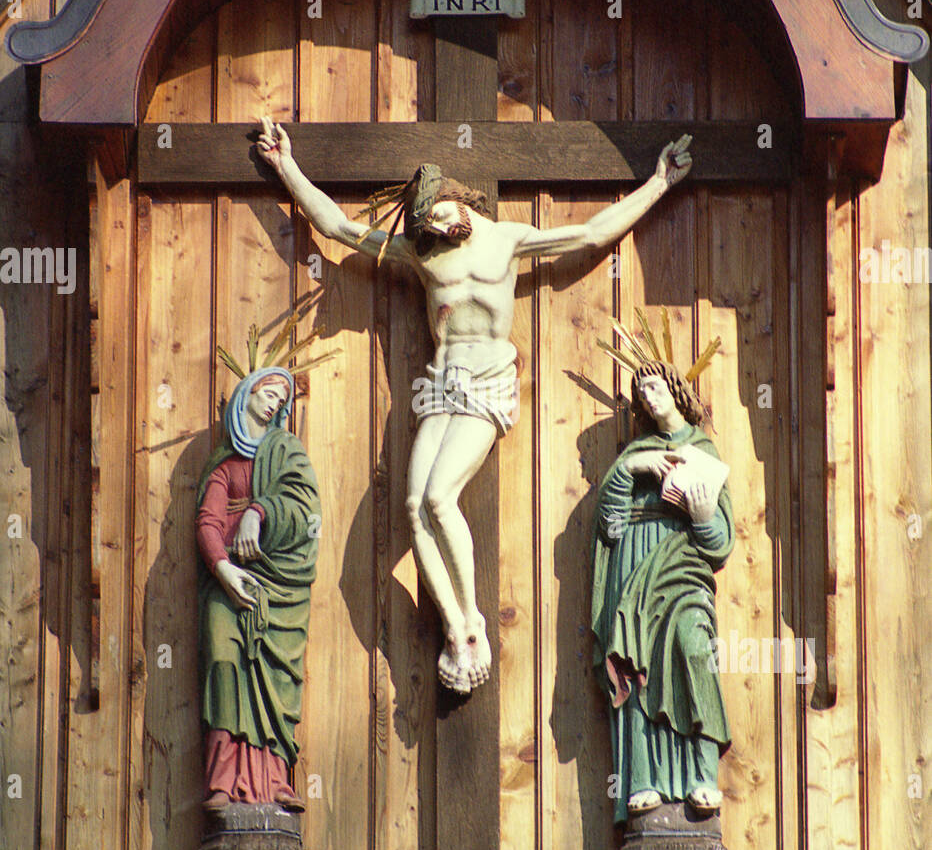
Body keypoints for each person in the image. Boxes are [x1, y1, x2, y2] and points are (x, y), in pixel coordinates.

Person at [255, 116, 692, 694]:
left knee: (440, 496)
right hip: (440, 384)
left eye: (439, 216)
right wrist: (286, 165)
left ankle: (475, 619)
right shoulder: (420, 251)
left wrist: (659, 182)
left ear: (456, 198)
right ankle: (457, 628)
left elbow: (589, 234)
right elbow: (336, 226)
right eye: (426, 224)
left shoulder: (507, 238)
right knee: (414, 507)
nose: (436, 228)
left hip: (486, 383)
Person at [591, 356, 733, 822]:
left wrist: (702, 516)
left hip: (684, 565)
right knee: (636, 667)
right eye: (641, 391)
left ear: (675, 389)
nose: (648, 397)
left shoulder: (704, 452)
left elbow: (721, 543)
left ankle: (701, 773)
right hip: (634, 568)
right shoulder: (637, 453)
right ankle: (643, 779)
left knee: (695, 650)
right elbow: (609, 526)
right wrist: (633, 466)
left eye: (654, 386)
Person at [195, 366, 321, 811]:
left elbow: (304, 508)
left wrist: (259, 511)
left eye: (281, 400)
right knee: (225, 665)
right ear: (246, 392)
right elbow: (208, 523)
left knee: (276, 676)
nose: (274, 403)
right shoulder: (224, 465)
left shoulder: (286, 453)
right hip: (227, 585)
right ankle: (223, 780)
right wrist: (223, 569)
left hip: (277, 588)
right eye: (269, 392)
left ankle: (274, 777)